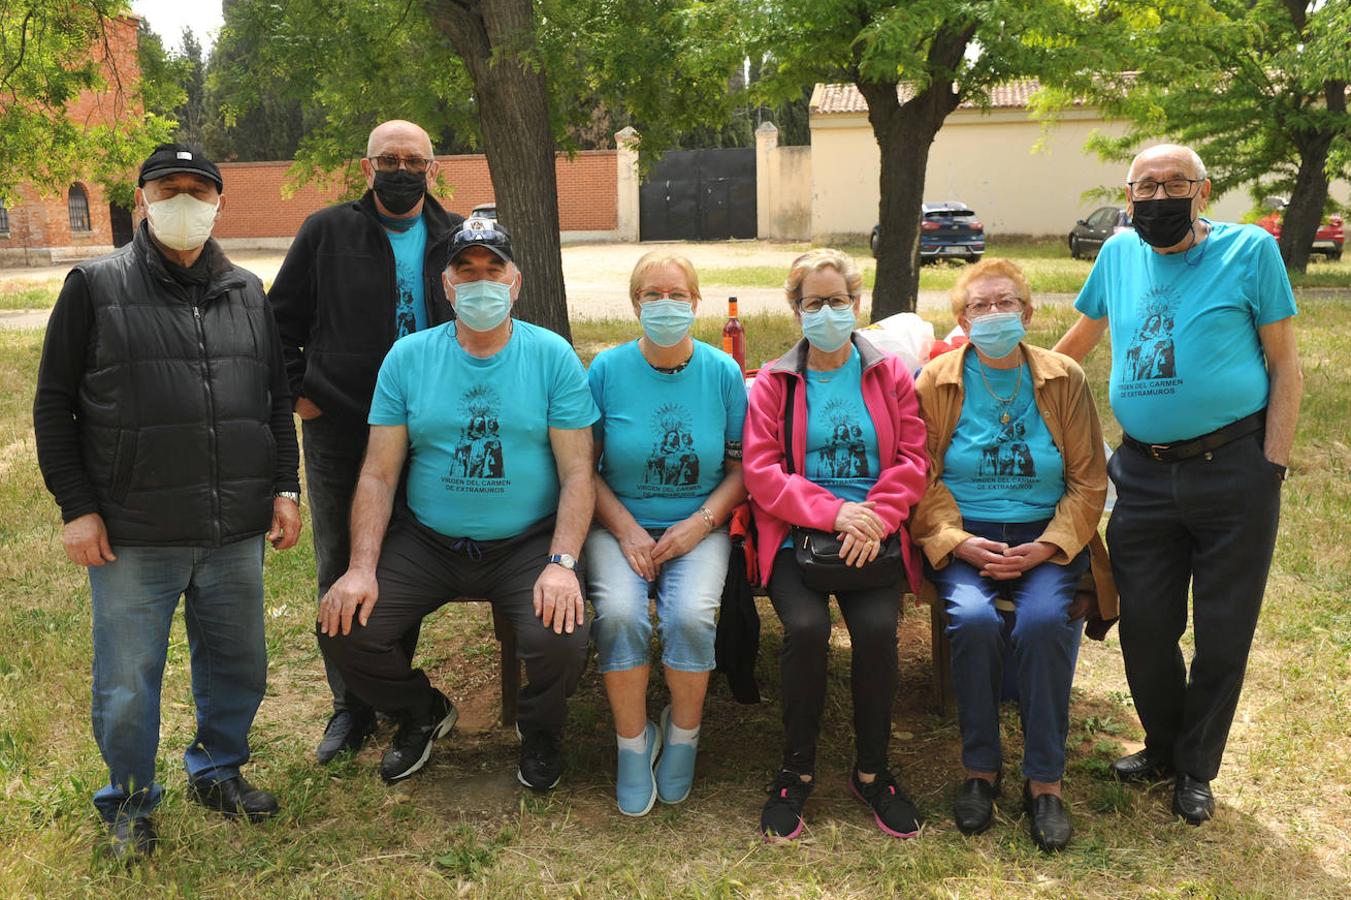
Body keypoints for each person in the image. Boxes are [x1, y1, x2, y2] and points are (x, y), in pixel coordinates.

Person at [33, 144, 302, 860]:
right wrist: (76, 507)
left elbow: (275, 399)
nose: (184, 200)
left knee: (237, 662)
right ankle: (126, 801)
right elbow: (54, 403)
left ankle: (218, 768)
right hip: (133, 530)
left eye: (198, 189)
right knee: (127, 680)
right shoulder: (94, 286)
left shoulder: (247, 291)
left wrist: (285, 487)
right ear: (143, 196)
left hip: (232, 527)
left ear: (218, 202)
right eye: (169, 187)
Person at [1054, 143, 1303, 825]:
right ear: (1126, 193)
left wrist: (1269, 466)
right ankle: (1161, 746)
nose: (1158, 197)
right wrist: (995, 369)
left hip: (1232, 471)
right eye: (1145, 185)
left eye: (1174, 184)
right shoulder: (1116, 256)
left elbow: (1284, 365)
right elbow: (1074, 345)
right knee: (1143, 624)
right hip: (1138, 471)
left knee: (1222, 632)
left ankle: (1195, 768)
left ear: (1203, 190)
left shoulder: (1247, 251)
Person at [317, 217, 596, 791]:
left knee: (562, 639)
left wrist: (562, 563)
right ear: (446, 286)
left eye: (493, 270)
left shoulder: (553, 356)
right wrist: (361, 567)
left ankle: (539, 729)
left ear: (515, 282)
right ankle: (421, 711)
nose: (480, 283)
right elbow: (377, 472)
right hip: (428, 542)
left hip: (525, 543)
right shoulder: (407, 357)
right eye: (466, 272)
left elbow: (577, 473)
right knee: (344, 628)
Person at [269, 119, 464, 763]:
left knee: (398, 561)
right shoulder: (327, 232)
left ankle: (389, 692)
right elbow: (279, 322)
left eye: (414, 159)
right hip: (343, 424)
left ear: (431, 169)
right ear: (366, 166)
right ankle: (350, 706)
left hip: (430, 430)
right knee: (340, 559)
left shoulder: (454, 235)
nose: (401, 169)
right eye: (390, 158)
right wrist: (303, 390)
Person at [910, 258, 1111, 852]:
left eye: (1005, 304)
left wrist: (1045, 547)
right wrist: (956, 541)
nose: (993, 314)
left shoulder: (1063, 376)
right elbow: (920, 476)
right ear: (961, 319)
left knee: (1047, 621)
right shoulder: (935, 381)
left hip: (1047, 538)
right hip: (965, 537)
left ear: (1028, 313)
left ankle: (1044, 782)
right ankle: (980, 772)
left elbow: (1088, 478)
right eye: (980, 306)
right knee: (971, 622)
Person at [742, 248, 927, 840]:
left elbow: (911, 458)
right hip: (798, 535)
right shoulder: (775, 381)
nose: (827, 312)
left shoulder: (890, 373)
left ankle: (873, 772)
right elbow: (763, 472)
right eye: (814, 303)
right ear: (796, 310)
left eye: (838, 301)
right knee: (804, 631)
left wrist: (873, 516)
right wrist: (834, 512)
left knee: (876, 632)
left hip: (872, 532)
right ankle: (796, 769)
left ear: (856, 305)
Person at [584, 252, 747, 816]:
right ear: (634, 305)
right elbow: (585, 467)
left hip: (699, 523)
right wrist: (626, 529)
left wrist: (700, 524)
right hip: (618, 523)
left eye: (677, 294)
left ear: (696, 304)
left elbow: (740, 469)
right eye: (652, 295)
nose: (665, 305)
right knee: (621, 614)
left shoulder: (723, 372)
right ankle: (633, 745)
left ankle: (683, 734)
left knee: (691, 616)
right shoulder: (605, 370)